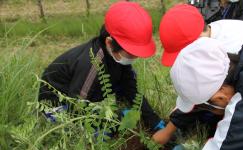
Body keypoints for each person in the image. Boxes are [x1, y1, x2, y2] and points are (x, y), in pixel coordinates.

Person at [152, 3, 243, 150]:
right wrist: (168, 130)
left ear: (196, 42)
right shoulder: (211, 34)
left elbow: (226, 118)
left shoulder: (233, 53)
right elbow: (196, 94)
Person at [38, 1, 165, 132]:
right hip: (57, 107)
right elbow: (76, 107)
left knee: (126, 87)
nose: (134, 58)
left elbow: (130, 87)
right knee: (102, 131)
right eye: (131, 53)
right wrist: (118, 119)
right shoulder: (92, 64)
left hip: (80, 93)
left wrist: (152, 118)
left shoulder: (116, 55)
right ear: (109, 43)